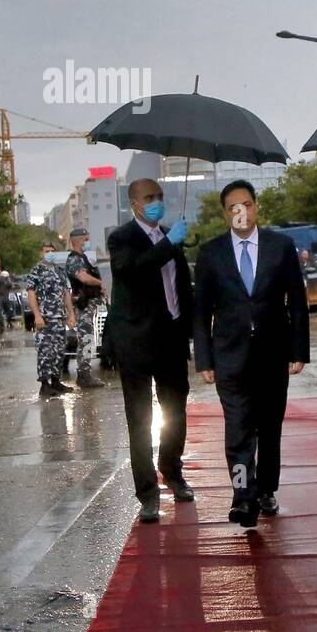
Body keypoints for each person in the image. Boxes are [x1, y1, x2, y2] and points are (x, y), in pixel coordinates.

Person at [193, 179, 310, 528]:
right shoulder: (211, 253)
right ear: (226, 213)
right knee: (239, 430)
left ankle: (266, 489)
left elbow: (299, 305)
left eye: (246, 204)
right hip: (229, 357)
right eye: (233, 207)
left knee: (269, 426)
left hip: (273, 354)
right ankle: (243, 495)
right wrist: (204, 359)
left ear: (256, 207)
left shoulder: (281, 246)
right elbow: (200, 312)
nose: (241, 212)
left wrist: (298, 349)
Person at [105, 178, 195, 524]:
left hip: (171, 339)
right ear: (134, 203)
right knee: (140, 420)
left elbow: (180, 287)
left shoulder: (172, 235)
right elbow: (131, 271)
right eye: (149, 197)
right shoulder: (121, 237)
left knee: (175, 411)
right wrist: (168, 245)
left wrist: (191, 331)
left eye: (159, 196)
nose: (156, 202)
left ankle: (172, 471)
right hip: (136, 342)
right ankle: (147, 493)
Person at [26, 242, 77, 396]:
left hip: (59, 318)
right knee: (45, 350)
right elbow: (31, 293)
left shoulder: (60, 271)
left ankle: (56, 381)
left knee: (59, 349)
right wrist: (37, 315)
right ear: (41, 254)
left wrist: (71, 314)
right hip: (45, 317)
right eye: (47, 251)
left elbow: (66, 293)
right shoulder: (37, 271)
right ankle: (44, 384)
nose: (50, 254)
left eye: (52, 251)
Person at [64, 227, 106, 388]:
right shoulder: (74, 259)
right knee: (86, 339)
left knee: (88, 338)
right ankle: (84, 375)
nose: (88, 242)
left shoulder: (85, 258)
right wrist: (102, 282)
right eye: (85, 239)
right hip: (83, 304)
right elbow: (83, 278)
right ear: (76, 241)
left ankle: (85, 374)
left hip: (90, 303)